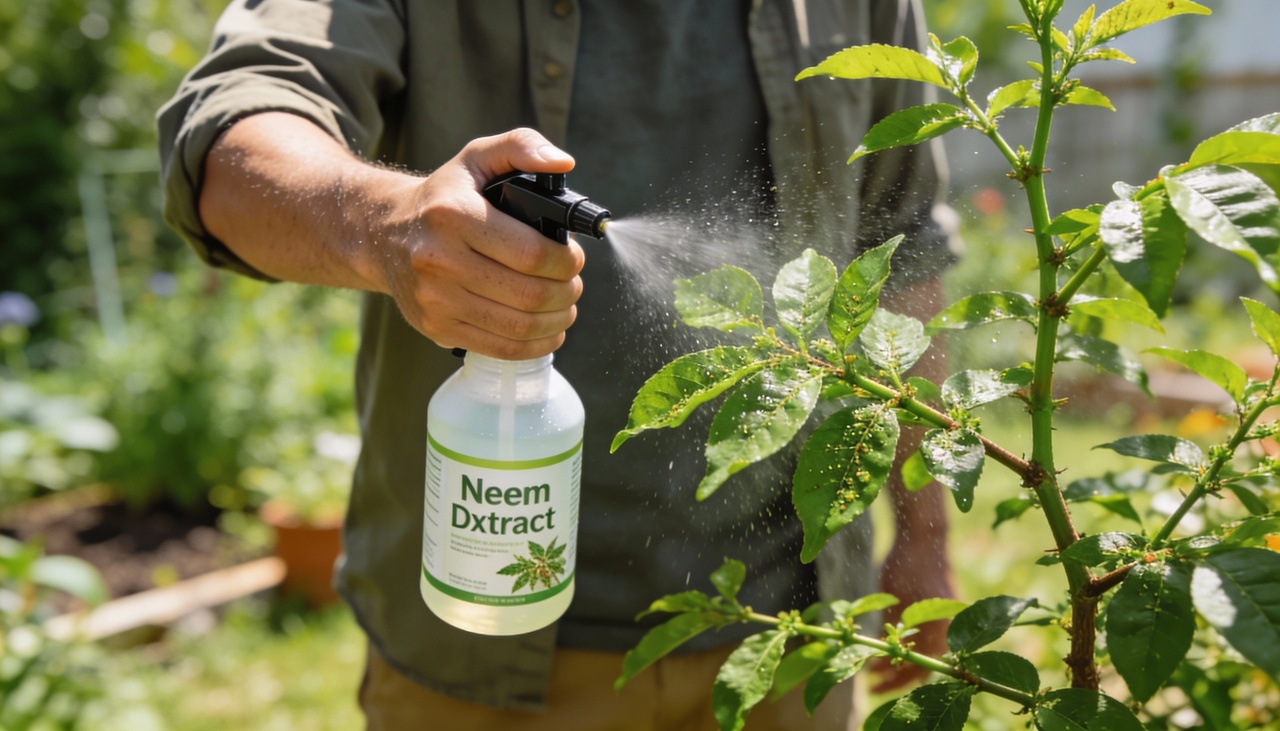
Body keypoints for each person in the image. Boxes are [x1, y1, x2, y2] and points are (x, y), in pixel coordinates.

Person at [158, 1, 960, 728]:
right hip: (480, 655)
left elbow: (901, 245)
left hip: (791, 633)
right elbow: (228, 134)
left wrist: (924, 537)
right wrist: (388, 225)